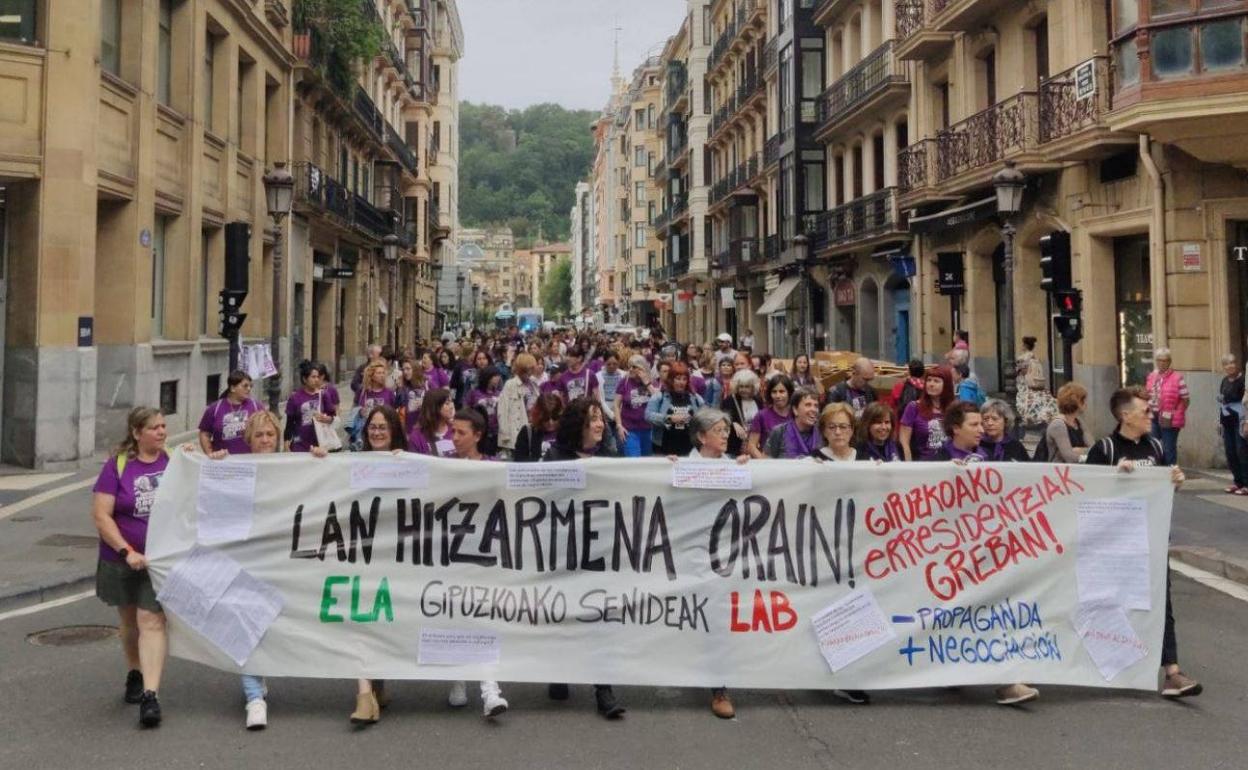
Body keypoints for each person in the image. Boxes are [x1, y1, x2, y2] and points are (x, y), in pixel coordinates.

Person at [211, 410, 327, 729]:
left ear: (278, 438)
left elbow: (322, 490)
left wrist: (321, 460)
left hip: (283, 561)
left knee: (273, 624)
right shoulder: (233, 468)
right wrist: (207, 462)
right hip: (246, 559)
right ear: (248, 438)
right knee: (246, 624)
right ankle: (253, 697)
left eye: (270, 435)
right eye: (259, 435)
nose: (265, 440)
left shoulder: (293, 466)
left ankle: (260, 676)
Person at [1084, 386, 1201, 699]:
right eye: (1145, 411)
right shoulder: (1105, 449)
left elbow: (1163, 491)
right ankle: (1098, 660)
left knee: (1161, 602)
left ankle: (1172, 672)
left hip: (1150, 539)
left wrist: (1174, 482)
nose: (1151, 415)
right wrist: (1114, 477)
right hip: (1113, 545)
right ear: (1126, 416)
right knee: (1106, 602)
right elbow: (1084, 494)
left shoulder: (1157, 447)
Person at [542, 398, 626, 719]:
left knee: (599, 613)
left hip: (600, 546)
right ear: (578, 423)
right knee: (563, 610)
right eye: (593, 419)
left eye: (601, 419)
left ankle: (603, 688)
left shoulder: (609, 454)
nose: (600, 424)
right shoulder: (555, 456)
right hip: (564, 546)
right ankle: (559, 669)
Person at [91, 407, 170, 728]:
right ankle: (135, 671)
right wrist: (126, 550)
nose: (162, 432)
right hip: (120, 558)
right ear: (137, 433)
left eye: (164, 426)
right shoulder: (118, 466)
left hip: (159, 561)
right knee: (128, 623)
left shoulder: (175, 461)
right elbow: (101, 515)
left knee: (151, 620)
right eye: (154, 428)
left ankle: (150, 696)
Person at [680, 407, 748, 719]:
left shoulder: (734, 466)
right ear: (701, 436)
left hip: (724, 556)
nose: (725, 436)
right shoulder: (682, 467)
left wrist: (749, 470)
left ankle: (719, 687)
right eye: (718, 431)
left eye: (726, 430)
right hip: (689, 554)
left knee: (718, 618)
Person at [445, 408, 511, 717]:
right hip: (449, 553)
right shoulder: (441, 467)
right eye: (452, 432)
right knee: (455, 614)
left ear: (478, 435)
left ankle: (489, 687)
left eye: (461, 433)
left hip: (485, 553)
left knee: (484, 615)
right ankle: (457, 677)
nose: (454, 438)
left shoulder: (495, 468)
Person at [349, 405, 407, 725]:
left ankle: (378, 684)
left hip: (396, 554)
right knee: (361, 618)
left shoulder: (410, 461)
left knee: (384, 620)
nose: (377, 431)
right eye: (372, 426)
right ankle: (363, 694)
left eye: (383, 426)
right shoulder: (354, 460)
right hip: (362, 552)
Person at [646, 361, 706, 456]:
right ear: (671, 379)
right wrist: (669, 418)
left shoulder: (695, 398)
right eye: (678, 379)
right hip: (663, 448)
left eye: (684, 379)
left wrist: (694, 419)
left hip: (689, 449)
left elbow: (705, 417)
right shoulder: (659, 396)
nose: (681, 382)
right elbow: (648, 415)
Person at [197, 371, 262, 455]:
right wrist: (210, 454)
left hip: (250, 461)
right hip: (223, 462)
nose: (249, 389)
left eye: (250, 386)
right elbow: (204, 433)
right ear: (232, 388)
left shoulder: (256, 406)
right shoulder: (214, 408)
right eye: (245, 386)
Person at [898, 366, 955, 462]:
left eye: (936, 381)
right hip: (923, 464)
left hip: (950, 465)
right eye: (929, 380)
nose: (931, 384)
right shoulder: (914, 407)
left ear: (946, 385)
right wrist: (908, 466)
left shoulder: (954, 409)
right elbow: (904, 441)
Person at [1145, 347, 1189, 466]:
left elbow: (1185, 399)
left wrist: (1176, 413)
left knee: (1168, 448)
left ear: (1169, 361)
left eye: (1165, 360)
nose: (1162, 363)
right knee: (1153, 447)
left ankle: (1170, 476)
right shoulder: (1151, 376)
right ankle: (1156, 475)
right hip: (1153, 415)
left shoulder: (1177, 377)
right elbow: (1147, 394)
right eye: (1159, 360)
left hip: (1169, 417)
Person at [284, 360, 336, 452]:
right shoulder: (295, 398)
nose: (316, 379)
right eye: (313, 377)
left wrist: (327, 419)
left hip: (320, 442)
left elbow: (333, 417)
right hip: (299, 443)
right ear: (304, 379)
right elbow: (290, 424)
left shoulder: (323, 395)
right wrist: (286, 442)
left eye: (318, 377)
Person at [497, 353, 541, 457]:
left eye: (532, 368)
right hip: (516, 432)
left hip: (533, 430)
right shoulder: (510, 384)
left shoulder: (534, 384)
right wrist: (505, 436)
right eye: (529, 369)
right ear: (522, 369)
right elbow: (502, 411)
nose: (531, 371)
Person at [614, 355, 657, 456]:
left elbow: (657, 399)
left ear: (642, 368)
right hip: (629, 430)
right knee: (634, 462)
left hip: (648, 429)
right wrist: (619, 425)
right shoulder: (624, 381)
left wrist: (647, 383)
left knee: (646, 463)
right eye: (629, 367)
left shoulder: (652, 382)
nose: (630, 369)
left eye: (634, 367)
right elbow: (616, 405)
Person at [1217, 354, 1248, 494]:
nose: (1230, 366)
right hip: (1227, 421)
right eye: (1226, 364)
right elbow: (1223, 401)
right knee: (1230, 452)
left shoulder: (1243, 380)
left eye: (1232, 363)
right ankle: (1238, 482)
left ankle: (1246, 483)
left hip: (1240, 420)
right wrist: (1219, 422)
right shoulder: (1224, 381)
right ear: (1223, 367)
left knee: (1241, 451)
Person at [765, 388, 823, 459]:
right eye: (808, 405)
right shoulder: (779, 432)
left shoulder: (823, 433)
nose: (813, 409)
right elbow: (766, 460)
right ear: (795, 409)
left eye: (816, 406)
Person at [1042, 382, 1091, 463]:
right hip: (1059, 472)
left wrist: (1080, 450)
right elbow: (1069, 457)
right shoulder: (1058, 425)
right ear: (1076, 402)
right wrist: (1090, 457)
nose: (1086, 404)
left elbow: (1094, 448)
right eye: (1083, 400)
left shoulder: (1078, 421)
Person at [748, 375, 794, 458]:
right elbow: (751, 446)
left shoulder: (796, 414)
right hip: (768, 463)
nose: (778, 396)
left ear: (789, 393)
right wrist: (765, 463)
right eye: (774, 392)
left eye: (782, 391)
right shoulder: (761, 415)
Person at [1015, 336, 1057, 426]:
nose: (1021, 346)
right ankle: (1043, 415)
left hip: (1025, 382)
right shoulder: (1035, 356)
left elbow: (1021, 371)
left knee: (1024, 400)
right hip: (1035, 381)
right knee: (1038, 398)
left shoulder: (1022, 358)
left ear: (1025, 345)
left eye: (1022, 344)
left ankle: (1029, 418)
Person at [512, 392, 564, 462]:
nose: (551, 422)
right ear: (538, 416)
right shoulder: (527, 432)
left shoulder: (565, 432)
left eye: (555, 417)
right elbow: (519, 463)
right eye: (546, 418)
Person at [723, 369, 762, 458]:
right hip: (734, 448)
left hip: (754, 447)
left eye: (747, 386)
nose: (743, 390)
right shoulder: (730, 400)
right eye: (741, 386)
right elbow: (722, 418)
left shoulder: (758, 401)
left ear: (753, 387)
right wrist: (733, 423)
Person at [466, 366, 504, 455]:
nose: (498, 378)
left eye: (499, 376)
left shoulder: (500, 393)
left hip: (495, 433)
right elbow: (466, 410)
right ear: (488, 377)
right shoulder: (474, 393)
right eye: (495, 376)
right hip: (479, 432)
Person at [408, 388, 456, 457]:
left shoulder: (456, 430)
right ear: (434, 408)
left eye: (452, 402)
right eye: (447, 403)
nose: (452, 406)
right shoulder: (417, 437)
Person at [395, 356, 429, 436]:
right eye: (403, 369)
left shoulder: (427, 384)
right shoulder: (403, 388)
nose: (405, 372)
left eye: (408, 369)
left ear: (415, 369)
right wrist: (399, 389)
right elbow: (397, 405)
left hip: (426, 427)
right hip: (410, 429)